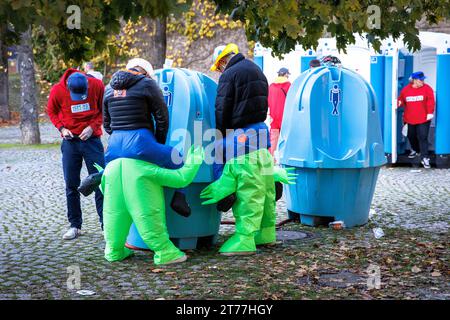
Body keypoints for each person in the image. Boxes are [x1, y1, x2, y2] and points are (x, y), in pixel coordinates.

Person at [78, 58, 191, 217]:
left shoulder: (109, 88)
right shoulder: (147, 84)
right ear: (145, 73)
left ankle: (99, 176)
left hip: (115, 144)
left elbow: (107, 123)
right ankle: (180, 198)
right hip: (141, 141)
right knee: (176, 157)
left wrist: (119, 137)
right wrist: (157, 143)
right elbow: (162, 117)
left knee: (115, 166)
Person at [47, 69, 105, 240]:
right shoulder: (58, 90)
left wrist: (93, 127)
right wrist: (62, 128)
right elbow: (51, 112)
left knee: (101, 181)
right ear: (68, 87)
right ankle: (75, 226)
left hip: (92, 140)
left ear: (88, 83)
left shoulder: (97, 85)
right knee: (71, 184)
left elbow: (103, 109)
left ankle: (105, 225)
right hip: (70, 142)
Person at [397, 71, 435, 168]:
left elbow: (431, 100)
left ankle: (424, 158)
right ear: (414, 80)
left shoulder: (427, 88)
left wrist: (430, 112)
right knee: (411, 135)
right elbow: (401, 99)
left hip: (423, 118)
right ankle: (416, 150)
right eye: (420, 80)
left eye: (423, 79)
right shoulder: (406, 90)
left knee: (423, 137)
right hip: (409, 119)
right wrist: (398, 103)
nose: (422, 81)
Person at [268, 67, 291, 157]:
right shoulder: (288, 85)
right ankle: (285, 158)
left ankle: (270, 159)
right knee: (286, 138)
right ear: (285, 74)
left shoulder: (271, 86)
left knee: (273, 139)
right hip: (285, 116)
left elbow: (268, 101)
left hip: (274, 116)